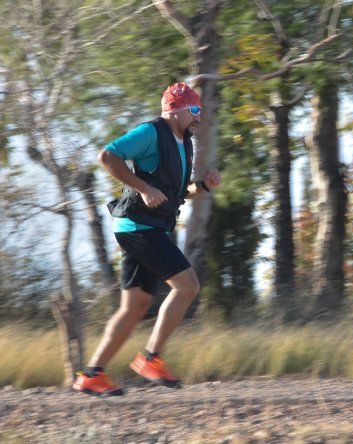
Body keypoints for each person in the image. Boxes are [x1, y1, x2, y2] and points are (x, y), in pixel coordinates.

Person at [73, 82, 221, 397]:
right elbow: (108, 156)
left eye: (200, 111)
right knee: (188, 285)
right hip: (138, 226)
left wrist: (204, 187)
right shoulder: (152, 131)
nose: (199, 117)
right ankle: (151, 358)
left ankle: (92, 375)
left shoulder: (185, 142)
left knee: (136, 306)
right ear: (176, 110)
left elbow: (177, 194)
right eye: (194, 110)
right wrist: (142, 187)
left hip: (147, 226)